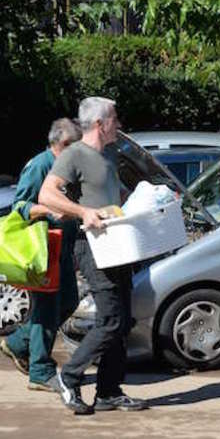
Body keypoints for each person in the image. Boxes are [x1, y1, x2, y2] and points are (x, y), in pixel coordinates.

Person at [39, 96, 148, 415]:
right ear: (100, 124)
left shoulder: (109, 155)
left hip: (119, 245)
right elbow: (47, 194)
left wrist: (147, 203)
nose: (119, 123)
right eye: (115, 118)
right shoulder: (74, 154)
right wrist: (83, 211)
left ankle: (109, 392)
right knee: (111, 319)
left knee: (123, 320)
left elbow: (114, 196)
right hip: (92, 246)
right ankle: (69, 378)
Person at [0, 118, 82, 392]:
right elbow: (19, 206)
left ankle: (16, 343)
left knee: (68, 302)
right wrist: (46, 211)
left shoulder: (68, 168)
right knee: (46, 310)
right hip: (43, 250)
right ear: (63, 145)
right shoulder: (40, 165)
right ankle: (41, 372)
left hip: (63, 250)